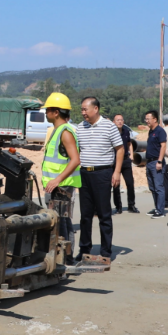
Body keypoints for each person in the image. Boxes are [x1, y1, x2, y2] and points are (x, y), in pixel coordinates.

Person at [75, 97, 124, 263]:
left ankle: (105, 252)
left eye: (85, 109)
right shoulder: (80, 128)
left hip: (103, 174)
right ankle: (84, 249)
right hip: (85, 174)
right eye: (81, 110)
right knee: (85, 215)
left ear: (95, 109)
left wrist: (116, 172)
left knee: (104, 214)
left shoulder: (109, 126)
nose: (83, 113)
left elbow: (120, 149)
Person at [41, 92, 81, 261]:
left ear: (56, 112)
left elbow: (75, 160)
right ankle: (65, 258)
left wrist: (57, 180)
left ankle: (65, 259)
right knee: (61, 222)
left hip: (62, 186)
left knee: (61, 224)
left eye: (48, 109)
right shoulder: (57, 131)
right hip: (57, 186)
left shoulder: (65, 132)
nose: (45, 112)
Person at [143, 110, 168, 218]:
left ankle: (161, 211)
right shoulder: (150, 131)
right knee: (152, 187)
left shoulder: (160, 131)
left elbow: (163, 146)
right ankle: (157, 207)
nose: (146, 121)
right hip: (149, 162)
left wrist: (159, 161)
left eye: (148, 119)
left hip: (156, 162)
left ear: (155, 119)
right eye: (146, 119)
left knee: (159, 187)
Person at [112, 114, 138, 214]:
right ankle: (118, 207)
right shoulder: (112, 133)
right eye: (117, 120)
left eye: (121, 120)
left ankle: (131, 205)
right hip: (114, 161)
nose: (120, 122)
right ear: (114, 122)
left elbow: (129, 143)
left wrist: (131, 154)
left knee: (130, 183)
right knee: (116, 184)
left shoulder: (126, 131)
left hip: (126, 161)